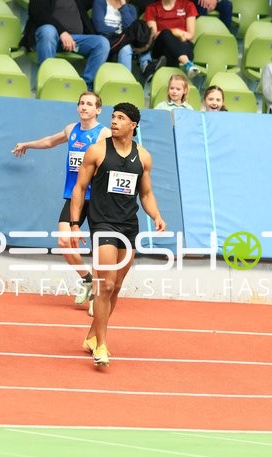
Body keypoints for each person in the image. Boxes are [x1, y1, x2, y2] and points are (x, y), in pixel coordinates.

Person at [70, 102, 166, 367]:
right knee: (106, 284)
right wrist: (75, 223)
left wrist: (156, 216)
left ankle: (91, 336)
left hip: (128, 226)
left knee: (116, 287)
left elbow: (146, 193)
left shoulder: (143, 157)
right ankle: (101, 345)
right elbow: (80, 188)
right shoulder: (97, 151)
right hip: (102, 223)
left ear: (133, 125)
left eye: (121, 118)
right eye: (113, 117)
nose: (114, 121)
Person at [12, 92, 111, 316]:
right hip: (74, 196)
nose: (84, 107)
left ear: (98, 110)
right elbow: (50, 141)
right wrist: (28, 144)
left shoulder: (103, 133)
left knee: (98, 249)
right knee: (64, 241)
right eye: (81, 103)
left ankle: (98, 295)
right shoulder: (71, 129)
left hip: (97, 198)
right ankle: (87, 279)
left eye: (89, 104)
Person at [19, 0, 111, 91]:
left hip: (75, 41)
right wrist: (62, 32)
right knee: (48, 31)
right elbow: (40, 14)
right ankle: (46, 82)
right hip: (48, 39)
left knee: (102, 43)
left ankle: (84, 88)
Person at [141, 0, 202, 82]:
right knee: (165, 32)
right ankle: (187, 64)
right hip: (161, 47)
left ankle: (162, 72)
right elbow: (154, 35)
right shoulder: (151, 8)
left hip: (182, 46)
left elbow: (190, 35)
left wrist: (176, 34)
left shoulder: (188, 5)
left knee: (172, 52)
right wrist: (175, 32)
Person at [92, 0, 138, 71]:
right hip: (104, 40)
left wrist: (123, 6)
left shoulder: (131, 8)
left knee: (126, 49)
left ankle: (125, 77)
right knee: (104, 44)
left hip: (122, 43)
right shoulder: (100, 2)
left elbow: (131, 29)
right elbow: (100, 27)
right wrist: (119, 31)